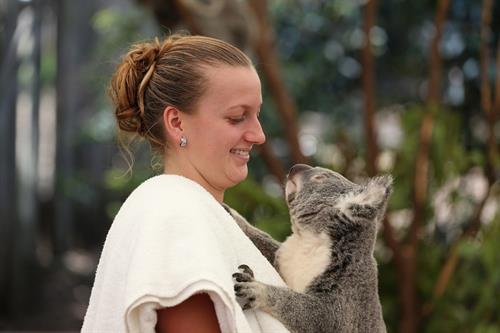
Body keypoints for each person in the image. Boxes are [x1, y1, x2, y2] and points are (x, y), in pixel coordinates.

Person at [81, 34, 290, 333]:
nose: (258, 135)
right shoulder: (176, 216)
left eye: (256, 115)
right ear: (176, 122)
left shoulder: (187, 210)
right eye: (237, 117)